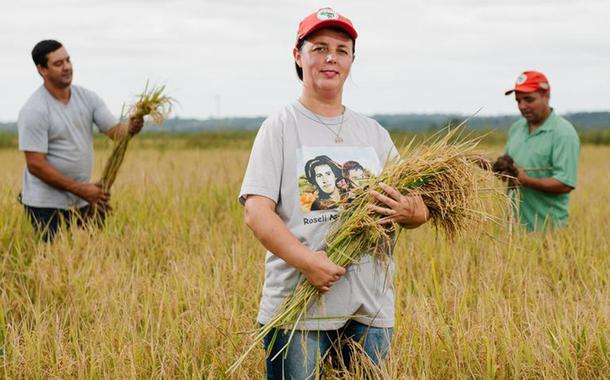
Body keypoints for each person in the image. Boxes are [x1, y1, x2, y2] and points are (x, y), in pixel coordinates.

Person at [238, 8, 429, 379]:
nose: (331, 58)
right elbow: (257, 212)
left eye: (342, 50)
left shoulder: (372, 133)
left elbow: (418, 210)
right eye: (319, 47)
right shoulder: (279, 127)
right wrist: (308, 262)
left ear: (352, 60)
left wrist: (410, 212)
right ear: (298, 55)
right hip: (299, 310)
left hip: (369, 309)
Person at [18, 40, 144, 242]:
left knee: (90, 259)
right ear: (42, 70)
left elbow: (115, 132)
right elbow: (36, 165)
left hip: (82, 201)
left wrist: (130, 127)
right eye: (58, 63)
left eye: (68, 60)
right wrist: (82, 189)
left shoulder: (87, 98)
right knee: (53, 266)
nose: (67, 67)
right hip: (45, 206)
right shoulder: (35, 110)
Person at [501, 70, 580, 232]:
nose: (522, 106)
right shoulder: (516, 129)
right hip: (513, 229)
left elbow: (565, 184)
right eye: (518, 101)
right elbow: (509, 169)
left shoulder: (563, 133)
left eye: (529, 99)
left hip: (548, 232)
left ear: (546, 95)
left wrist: (526, 180)